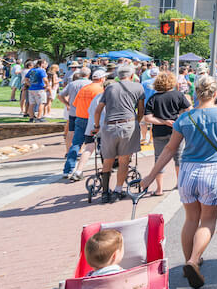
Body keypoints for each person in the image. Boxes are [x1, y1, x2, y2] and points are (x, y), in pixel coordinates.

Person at [141, 75, 217, 289]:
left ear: (195, 94)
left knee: (190, 219)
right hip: (213, 170)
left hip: (188, 172)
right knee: (207, 222)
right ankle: (193, 260)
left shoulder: (184, 119)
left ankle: (188, 260)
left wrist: (151, 176)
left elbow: (170, 148)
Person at [92, 64, 145, 204]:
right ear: (132, 75)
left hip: (109, 126)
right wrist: (136, 122)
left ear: (118, 76)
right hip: (128, 125)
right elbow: (141, 110)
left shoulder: (109, 88)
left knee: (107, 160)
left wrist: (96, 126)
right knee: (124, 160)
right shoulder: (138, 87)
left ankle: (104, 192)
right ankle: (118, 189)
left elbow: (97, 111)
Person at [143, 71, 191, 196]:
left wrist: (164, 121)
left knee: (159, 159)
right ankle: (180, 185)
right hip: (177, 131)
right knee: (179, 158)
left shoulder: (153, 98)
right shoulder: (178, 95)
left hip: (159, 132)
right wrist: (179, 119)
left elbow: (148, 118)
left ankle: (159, 189)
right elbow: (189, 110)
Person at [66, 69, 106, 181]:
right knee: (101, 145)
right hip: (92, 120)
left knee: (76, 144)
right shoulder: (100, 90)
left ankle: (69, 169)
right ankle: (106, 168)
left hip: (80, 117)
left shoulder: (84, 88)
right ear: (102, 79)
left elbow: (75, 103)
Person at [60, 66, 92, 178]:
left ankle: (68, 155)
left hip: (74, 112)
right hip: (87, 113)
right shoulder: (91, 84)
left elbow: (60, 95)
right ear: (88, 74)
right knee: (91, 141)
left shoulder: (72, 84)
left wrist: (67, 104)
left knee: (73, 136)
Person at [140, 67, 160, 145]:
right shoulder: (159, 82)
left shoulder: (144, 82)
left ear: (150, 74)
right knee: (153, 122)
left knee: (143, 123)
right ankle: (151, 139)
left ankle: (144, 137)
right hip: (156, 104)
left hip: (145, 104)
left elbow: (141, 93)